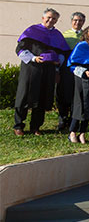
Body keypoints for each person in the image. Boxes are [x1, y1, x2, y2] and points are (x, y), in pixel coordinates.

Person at [14, 8, 70, 136]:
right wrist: (34, 58)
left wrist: (58, 62)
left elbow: (62, 53)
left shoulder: (57, 35)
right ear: (43, 18)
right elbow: (20, 49)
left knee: (42, 97)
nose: (51, 20)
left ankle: (36, 127)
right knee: (24, 96)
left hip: (48, 70)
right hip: (31, 69)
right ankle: (18, 125)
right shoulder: (32, 31)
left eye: (54, 19)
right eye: (49, 17)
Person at [57, 11, 85, 132]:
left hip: (80, 67)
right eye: (75, 20)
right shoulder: (64, 35)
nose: (77, 23)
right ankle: (63, 118)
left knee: (77, 94)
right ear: (71, 21)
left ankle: (74, 119)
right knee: (63, 93)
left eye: (80, 21)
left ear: (83, 22)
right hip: (66, 68)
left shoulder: (86, 35)